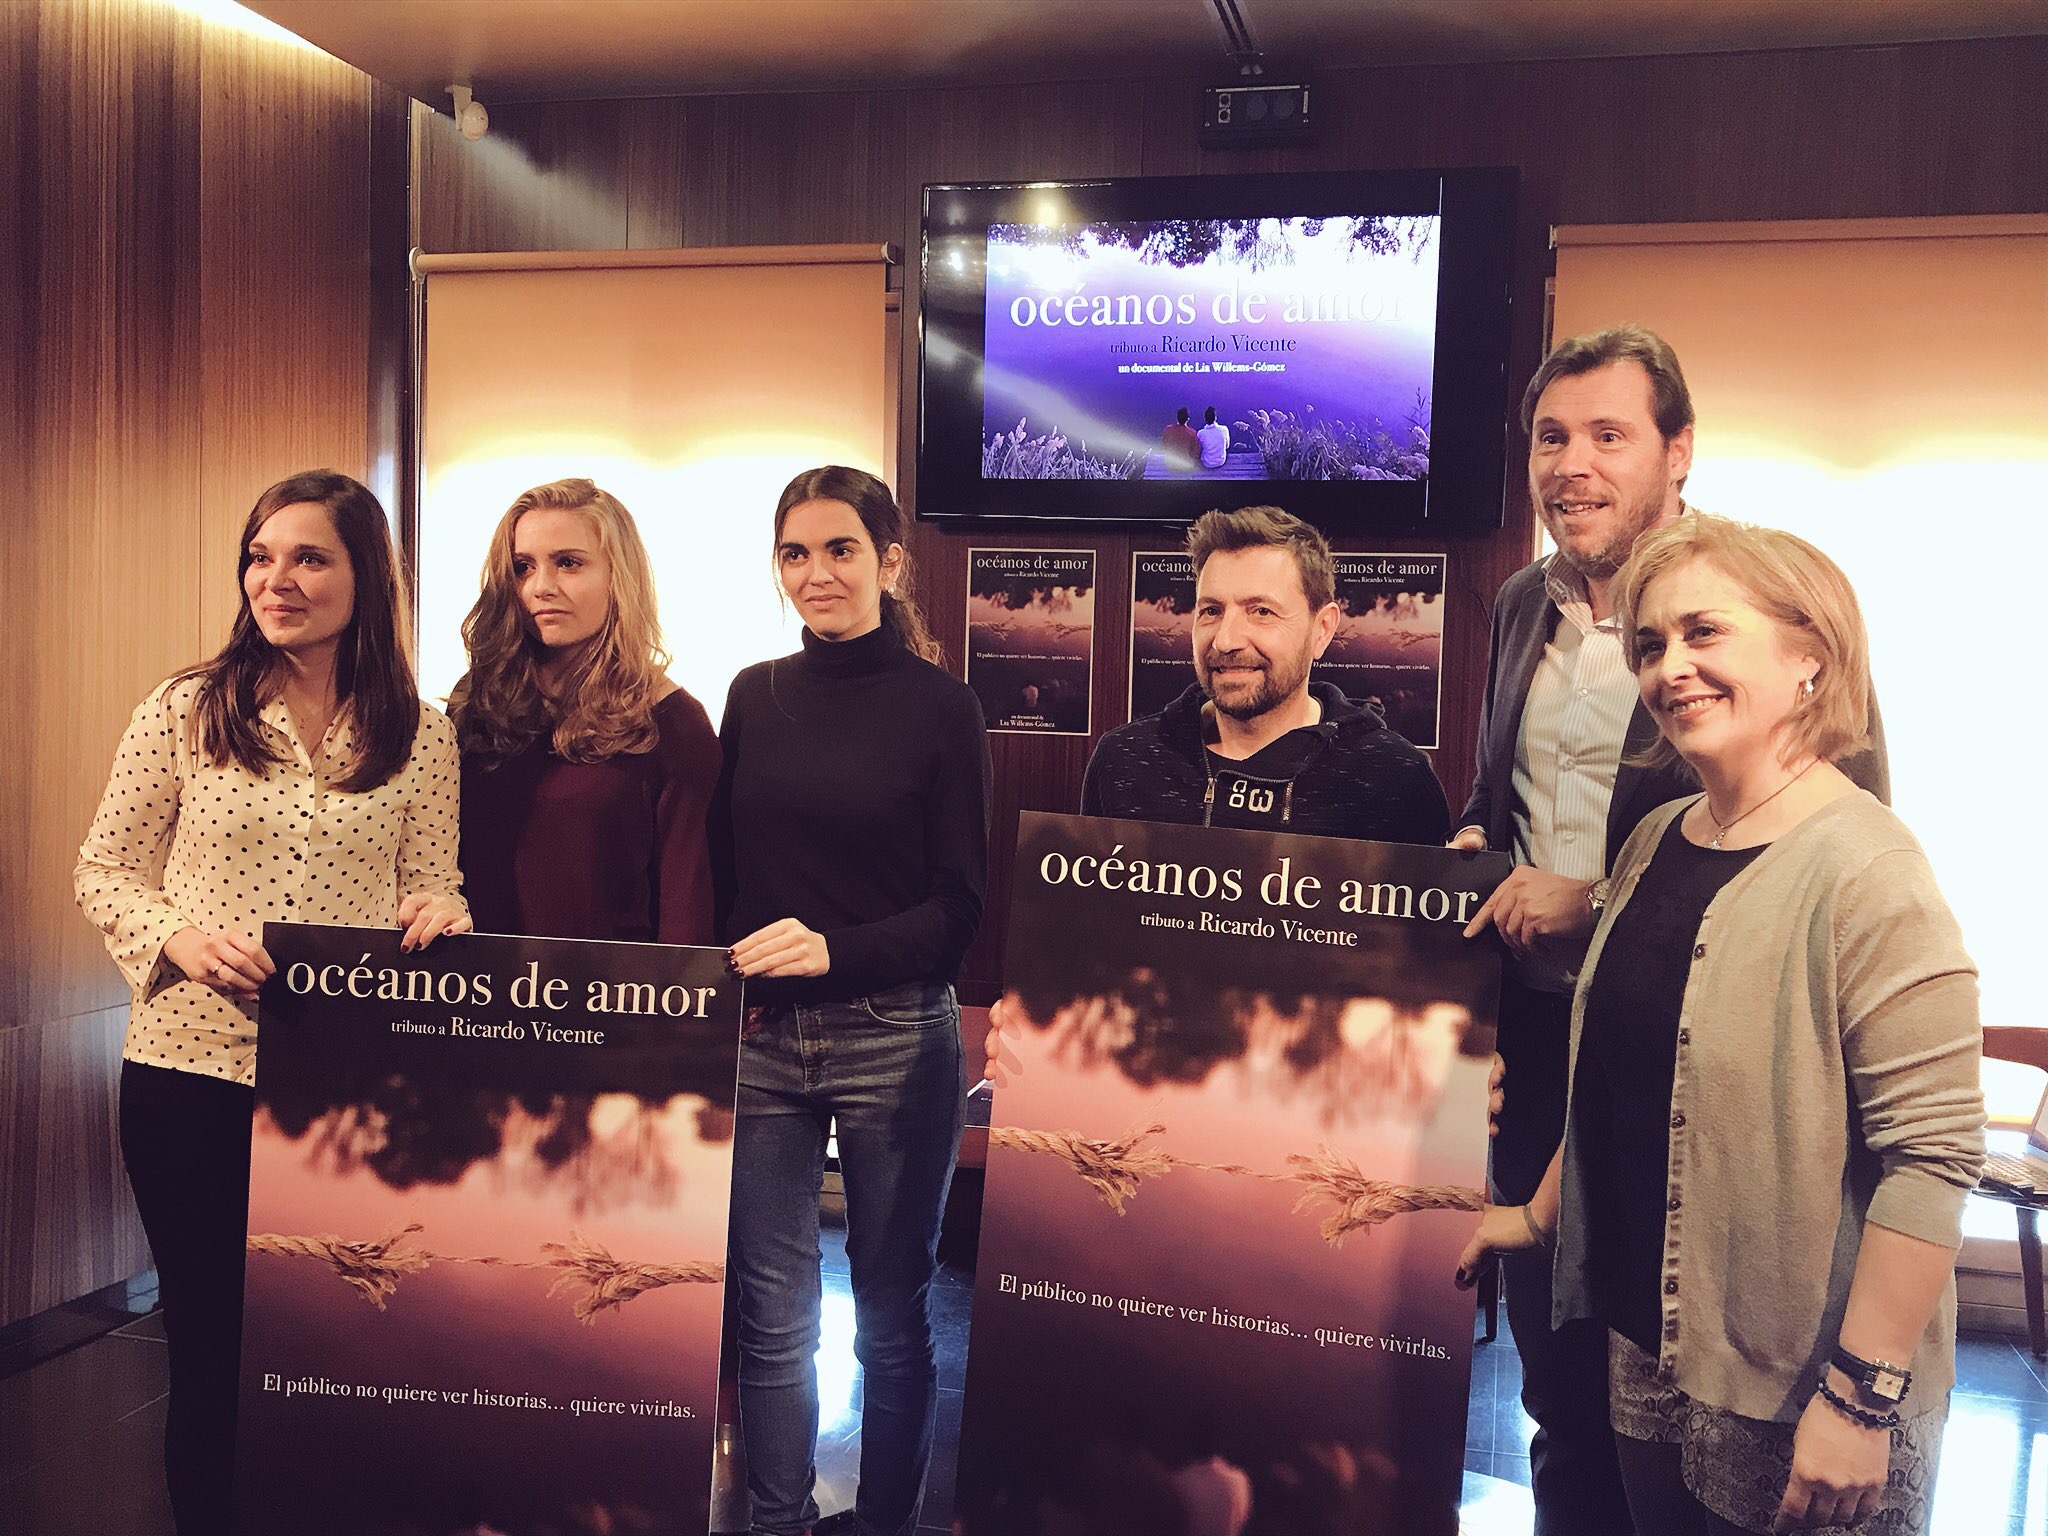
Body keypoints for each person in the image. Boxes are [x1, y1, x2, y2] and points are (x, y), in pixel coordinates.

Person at [1457, 514, 1982, 1534]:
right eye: (1650, 645)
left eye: (1704, 633)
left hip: (1804, 1389)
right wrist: (1533, 1218)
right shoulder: (1655, 839)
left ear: (1808, 659)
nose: (1670, 668)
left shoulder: (1868, 869)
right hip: (1650, 1347)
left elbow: (1931, 1160)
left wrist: (1858, 1400)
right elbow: (1622, 1076)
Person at [73, 470, 469, 1535]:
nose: (276, 580)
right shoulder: (185, 709)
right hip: (186, 1070)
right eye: (260, 556)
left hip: (340, 1085)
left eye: (307, 558)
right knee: (209, 1345)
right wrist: (178, 938)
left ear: (365, 576)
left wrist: (441, 910)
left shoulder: (422, 733)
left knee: (334, 1343)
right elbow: (104, 868)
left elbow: (434, 882)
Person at [712, 465, 991, 1536]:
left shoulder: (942, 707)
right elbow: (724, 878)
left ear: (889, 563)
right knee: (773, 1317)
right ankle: (776, 1521)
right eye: (795, 552)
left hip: (898, 1037)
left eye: (840, 549)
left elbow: (958, 909)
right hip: (763, 1039)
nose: (816, 572)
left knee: (890, 1320)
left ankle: (883, 1524)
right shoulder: (752, 695)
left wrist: (834, 952)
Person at [450, 477, 718, 944]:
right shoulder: (477, 702)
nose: (541, 586)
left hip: (609, 987)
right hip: (476, 984)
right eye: (522, 567)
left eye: (568, 563)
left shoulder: (673, 723)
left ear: (619, 575)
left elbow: (687, 919)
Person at [1083, 505, 1449, 841]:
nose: (1225, 640)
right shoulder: (1123, 760)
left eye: (1261, 611)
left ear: (1322, 629)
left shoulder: (1396, 778)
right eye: (1211, 611)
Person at [1161, 407, 1201, 473]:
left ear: (1177, 418)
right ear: (1188, 419)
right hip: (1186, 466)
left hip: (1170, 464)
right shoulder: (1192, 433)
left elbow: (1164, 446)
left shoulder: (1167, 430)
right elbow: (1195, 453)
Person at [1196, 405, 1230, 470]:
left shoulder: (1201, 433)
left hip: (1206, 463)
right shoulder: (1224, 429)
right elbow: (1227, 446)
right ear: (1215, 418)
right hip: (1221, 461)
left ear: (1205, 419)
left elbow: (1199, 449)